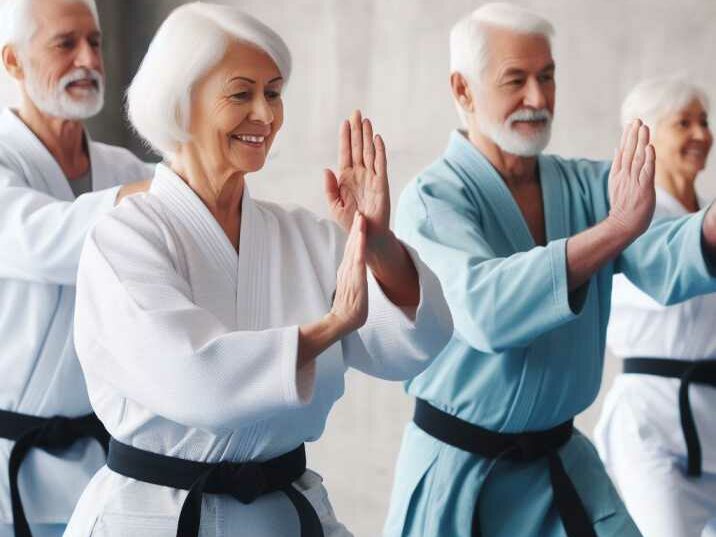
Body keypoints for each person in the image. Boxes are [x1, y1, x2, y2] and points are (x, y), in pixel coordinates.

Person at [65, 3, 453, 537]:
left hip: (282, 516)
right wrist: (330, 326)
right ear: (183, 100)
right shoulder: (124, 239)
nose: (266, 116)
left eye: (273, 93)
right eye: (241, 92)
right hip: (157, 518)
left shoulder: (303, 236)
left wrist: (378, 243)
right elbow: (196, 378)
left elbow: (413, 346)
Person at [384, 4, 716, 537]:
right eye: (516, 80)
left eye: (547, 77)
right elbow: (486, 310)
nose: (537, 99)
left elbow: (663, 251)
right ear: (463, 90)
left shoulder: (586, 186)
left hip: (560, 465)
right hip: (459, 475)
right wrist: (611, 231)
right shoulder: (431, 199)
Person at [0, 1, 151, 536]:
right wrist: (164, 193)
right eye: (66, 43)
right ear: (14, 62)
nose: (88, 59)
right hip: (8, 471)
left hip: (100, 468)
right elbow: (41, 240)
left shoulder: (126, 170)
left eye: (96, 42)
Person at [595, 77, 716, 537]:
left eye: (704, 121)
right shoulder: (622, 219)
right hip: (652, 420)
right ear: (644, 135)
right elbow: (663, 285)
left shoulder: (705, 213)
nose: (701, 134)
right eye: (682, 123)